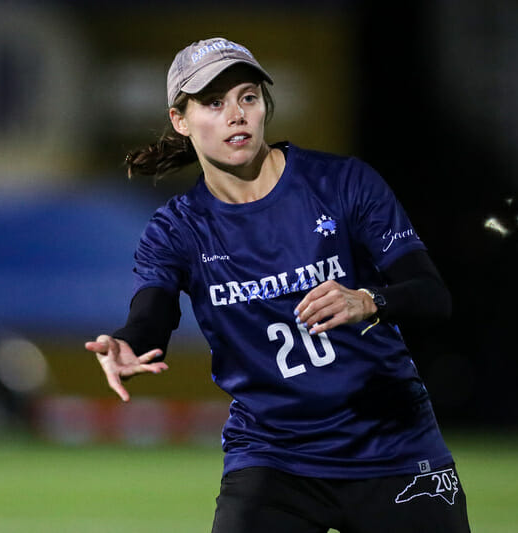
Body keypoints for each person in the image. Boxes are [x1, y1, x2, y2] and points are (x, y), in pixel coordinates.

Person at [85, 37, 471, 533]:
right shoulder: (178, 228)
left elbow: (430, 295)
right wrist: (126, 344)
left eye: (248, 97)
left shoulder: (342, 183)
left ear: (266, 104)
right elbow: (152, 317)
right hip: (274, 459)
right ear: (180, 120)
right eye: (213, 103)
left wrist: (369, 300)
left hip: (392, 446)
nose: (236, 114)